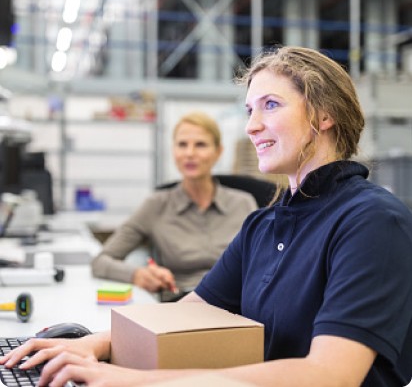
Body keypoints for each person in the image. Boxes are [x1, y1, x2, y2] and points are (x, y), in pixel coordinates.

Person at [2, 46, 412, 387]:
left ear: (324, 116)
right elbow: (191, 311)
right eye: (250, 109)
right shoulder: (263, 225)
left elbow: (330, 375)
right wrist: (95, 343)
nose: (252, 126)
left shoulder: (372, 221)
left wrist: (132, 379)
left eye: (270, 105)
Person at [91, 111, 257, 295]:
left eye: (200, 145)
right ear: (173, 151)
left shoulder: (244, 204)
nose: (190, 153)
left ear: (218, 152)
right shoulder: (156, 205)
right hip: (182, 303)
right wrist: (137, 274)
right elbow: (100, 261)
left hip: (238, 303)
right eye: (182, 145)